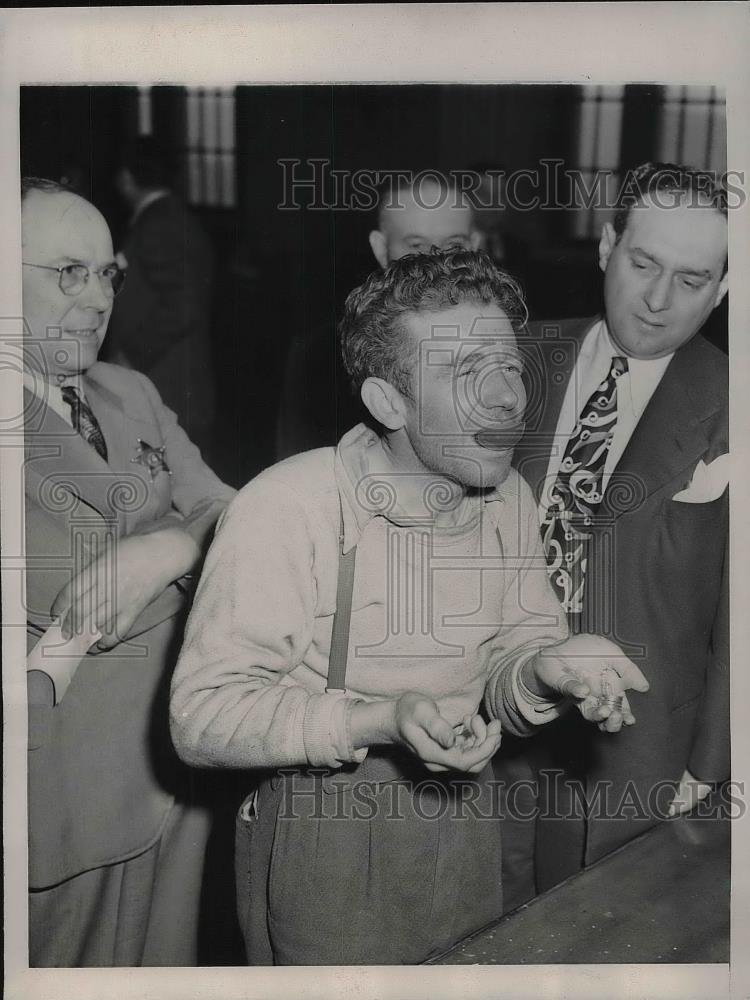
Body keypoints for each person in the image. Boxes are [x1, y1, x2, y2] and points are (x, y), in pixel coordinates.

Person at [170, 248, 649, 965]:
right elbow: (200, 716)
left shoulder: (506, 497)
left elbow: (508, 673)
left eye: (507, 367)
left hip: (469, 827)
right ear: (387, 402)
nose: (505, 398)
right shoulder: (290, 506)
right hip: (327, 833)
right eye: (463, 375)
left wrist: (551, 668)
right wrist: (380, 719)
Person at [21, 177, 236, 966]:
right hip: (53, 794)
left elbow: (235, 511)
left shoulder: (131, 390)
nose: (99, 297)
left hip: (173, 774)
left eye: (107, 272)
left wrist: (168, 548)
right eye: (66, 273)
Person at [508, 162, 729, 895]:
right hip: (485, 724)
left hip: (632, 753)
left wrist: (710, 763)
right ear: (606, 246)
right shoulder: (514, 359)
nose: (659, 300)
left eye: (693, 280)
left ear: (725, 289)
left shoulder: (736, 404)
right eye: (642, 264)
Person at [275, 172, 481, 459]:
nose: (437, 261)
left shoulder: (509, 343)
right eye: (416, 246)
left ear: (475, 244)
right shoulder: (320, 358)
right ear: (380, 248)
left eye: (454, 245)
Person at [107, 137, 216, 456]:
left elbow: (184, 304)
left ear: (126, 178)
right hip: (174, 386)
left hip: (168, 386)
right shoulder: (170, 218)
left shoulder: (160, 224)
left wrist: (130, 355)